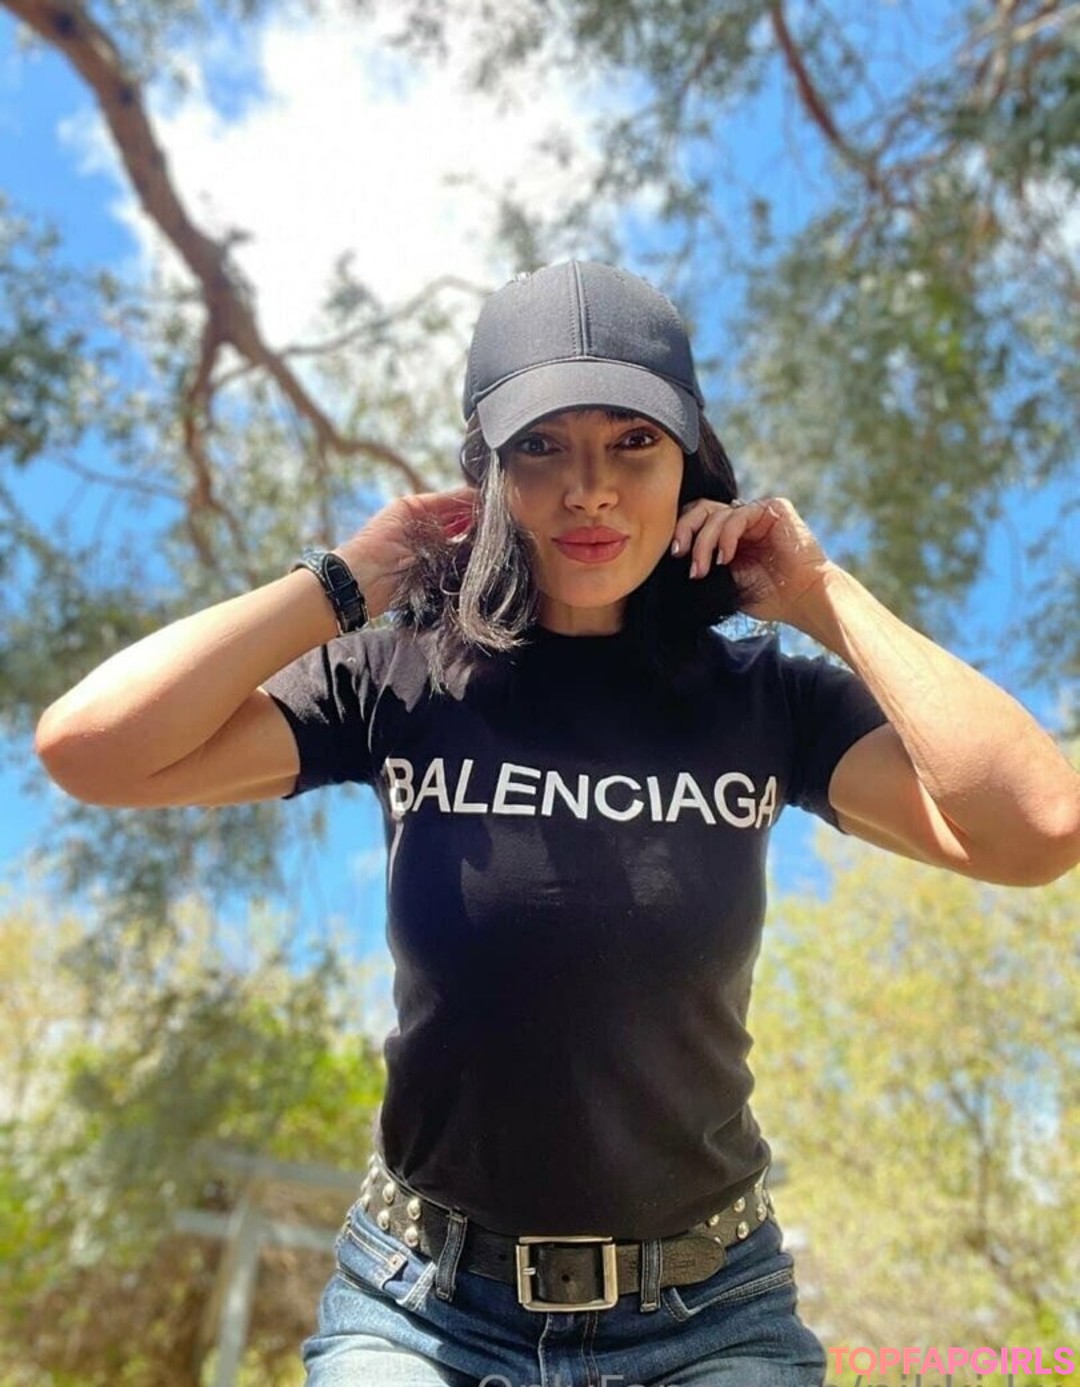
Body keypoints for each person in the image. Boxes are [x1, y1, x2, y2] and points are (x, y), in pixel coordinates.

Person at [35, 260, 1080, 1387]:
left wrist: (817, 592)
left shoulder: (766, 702)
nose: (589, 489)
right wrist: (349, 577)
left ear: (690, 462)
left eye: (634, 442)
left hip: (710, 1314)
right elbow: (91, 748)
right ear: (487, 475)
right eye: (540, 446)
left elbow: (1037, 827)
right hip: (419, 1310)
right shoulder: (399, 678)